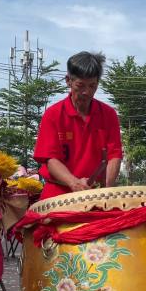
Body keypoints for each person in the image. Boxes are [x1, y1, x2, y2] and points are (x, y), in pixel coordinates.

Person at [33, 51, 123, 200]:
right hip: (58, 194)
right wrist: (73, 183)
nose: (86, 92)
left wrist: (107, 191)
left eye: (92, 86)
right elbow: (51, 159)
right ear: (68, 80)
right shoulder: (53, 114)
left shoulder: (109, 114)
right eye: (80, 85)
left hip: (96, 194)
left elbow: (114, 155)